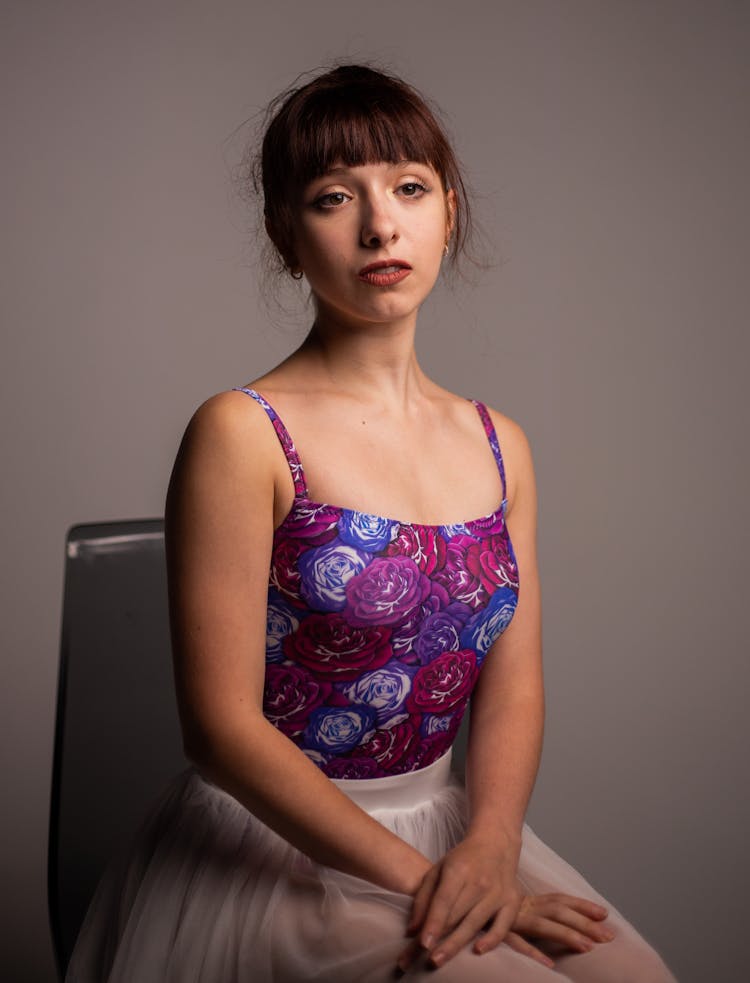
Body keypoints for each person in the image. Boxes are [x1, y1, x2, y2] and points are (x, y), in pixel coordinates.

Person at [66, 64, 677, 982]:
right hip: (279, 847)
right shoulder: (242, 431)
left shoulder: (500, 443)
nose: (380, 224)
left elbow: (514, 682)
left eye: (409, 188)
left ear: (449, 210)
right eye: (333, 196)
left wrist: (490, 847)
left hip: (454, 826)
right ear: (286, 231)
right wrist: (427, 884)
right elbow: (220, 729)